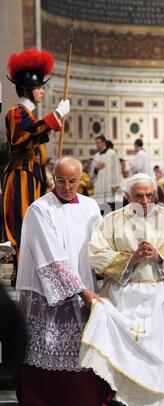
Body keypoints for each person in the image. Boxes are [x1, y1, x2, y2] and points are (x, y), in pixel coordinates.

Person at [79, 173, 164, 406]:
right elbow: (96, 255)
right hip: (126, 297)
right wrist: (130, 260)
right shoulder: (111, 220)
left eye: (149, 196)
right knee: (136, 361)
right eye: (138, 196)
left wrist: (160, 257)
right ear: (127, 196)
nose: (145, 201)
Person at [16, 157, 112, 406]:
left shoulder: (92, 206)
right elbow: (51, 258)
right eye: (61, 180)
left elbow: (99, 246)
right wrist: (81, 291)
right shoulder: (39, 209)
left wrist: (107, 269)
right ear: (52, 178)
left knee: (82, 356)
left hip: (86, 291)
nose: (67, 187)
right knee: (49, 351)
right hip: (50, 296)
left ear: (82, 178)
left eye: (73, 181)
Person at [0, 47, 70, 286]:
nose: (42, 91)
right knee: (23, 223)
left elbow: (37, 133)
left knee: (34, 223)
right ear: (29, 89)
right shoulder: (15, 114)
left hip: (33, 176)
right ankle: (21, 272)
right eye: (39, 87)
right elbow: (25, 135)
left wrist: (54, 120)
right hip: (21, 176)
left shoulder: (29, 117)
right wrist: (56, 115)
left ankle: (29, 270)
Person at [90, 134, 122, 212]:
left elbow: (116, 169)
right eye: (96, 143)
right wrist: (96, 169)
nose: (97, 144)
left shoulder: (112, 153)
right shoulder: (96, 156)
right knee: (101, 208)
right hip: (99, 187)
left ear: (104, 142)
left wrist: (115, 184)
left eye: (98, 142)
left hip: (109, 186)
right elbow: (92, 173)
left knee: (111, 207)